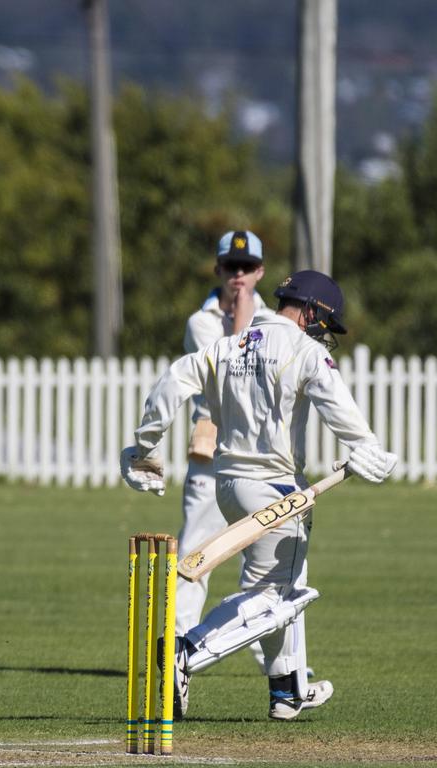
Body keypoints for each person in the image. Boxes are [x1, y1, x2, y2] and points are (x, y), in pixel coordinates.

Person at [121, 270, 397, 721]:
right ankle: (186, 651)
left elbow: (172, 382)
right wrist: (366, 445)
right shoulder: (304, 351)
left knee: (274, 583)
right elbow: (334, 400)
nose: (323, 335)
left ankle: (287, 690)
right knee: (274, 596)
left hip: (227, 486)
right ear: (310, 312)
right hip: (275, 486)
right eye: (324, 324)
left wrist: (144, 448)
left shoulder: (228, 346)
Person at [177, 231, 272, 654]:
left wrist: (252, 314)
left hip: (261, 456)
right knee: (196, 557)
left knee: (269, 564)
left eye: (247, 267)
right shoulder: (201, 323)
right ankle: (177, 648)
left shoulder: (274, 321)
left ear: (260, 271)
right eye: (231, 268)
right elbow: (231, 371)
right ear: (218, 270)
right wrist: (241, 316)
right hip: (212, 451)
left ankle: (280, 667)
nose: (238, 276)